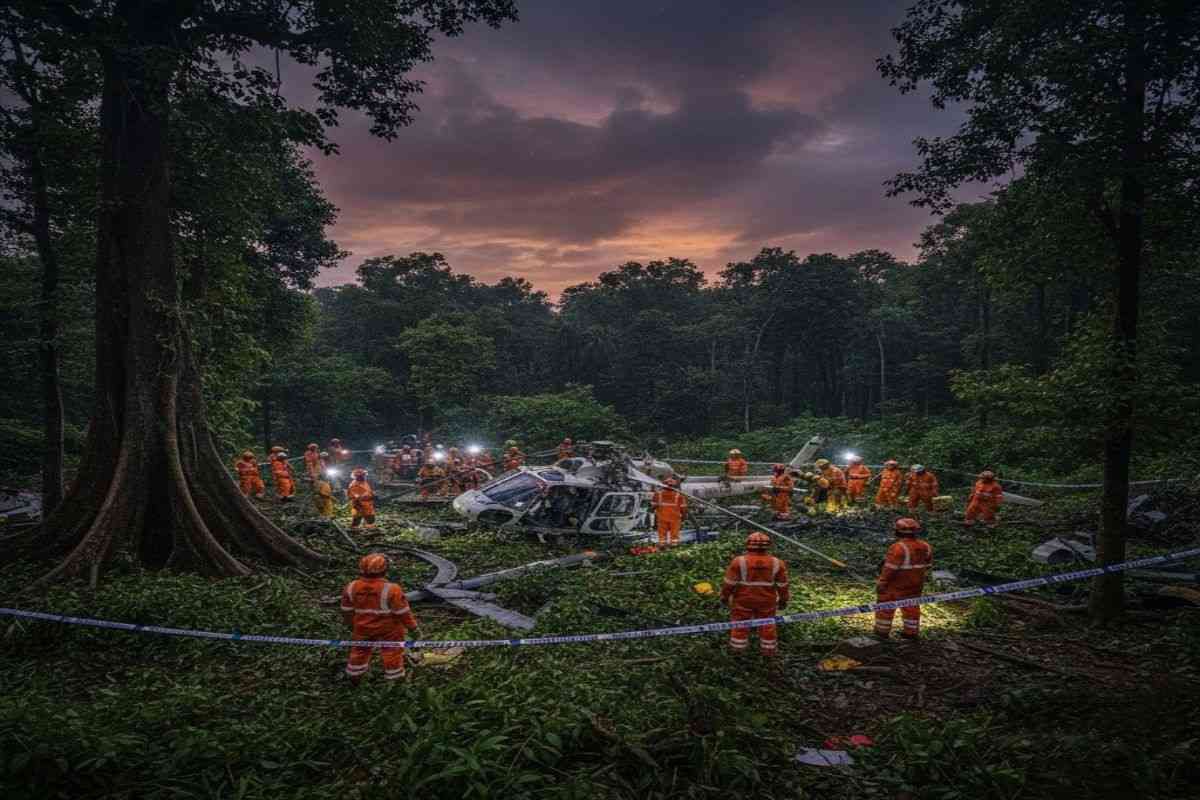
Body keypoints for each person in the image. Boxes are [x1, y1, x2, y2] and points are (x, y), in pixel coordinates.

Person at [340, 553, 419, 684]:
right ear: (385, 569)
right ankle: (395, 681)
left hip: (362, 627)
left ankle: (354, 677)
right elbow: (403, 613)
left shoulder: (351, 587)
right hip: (389, 629)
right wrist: (414, 628)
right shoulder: (392, 589)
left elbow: (346, 611)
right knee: (392, 652)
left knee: (359, 651)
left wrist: (351, 625)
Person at [720, 532, 790, 656]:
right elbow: (783, 585)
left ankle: (737, 651)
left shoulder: (739, 561)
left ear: (748, 544)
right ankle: (768, 652)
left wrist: (724, 597)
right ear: (768, 546)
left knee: (740, 624)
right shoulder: (777, 563)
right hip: (767, 601)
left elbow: (729, 583)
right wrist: (783, 600)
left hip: (743, 600)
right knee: (767, 625)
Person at [874, 518, 933, 641]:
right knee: (911, 608)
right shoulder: (925, 546)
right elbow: (927, 565)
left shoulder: (898, 548)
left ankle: (881, 632)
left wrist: (882, 582)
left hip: (896, 585)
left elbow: (890, 568)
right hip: (916, 584)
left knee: (885, 607)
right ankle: (911, 632)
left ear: (898, 531)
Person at [651, 477, 688, 547]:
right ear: (674, 485)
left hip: (662, 517)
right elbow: (683, 508)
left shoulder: (658, 494)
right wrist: (684, 516)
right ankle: (674, 545)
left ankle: (662, 544)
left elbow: (653, 506)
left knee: (662, 533)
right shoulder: (679, 495)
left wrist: (653, 513)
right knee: (674, 533)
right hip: (675, 518)